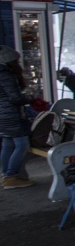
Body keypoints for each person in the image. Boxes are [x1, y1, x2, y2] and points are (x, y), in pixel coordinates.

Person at [0, 46, 34, 189]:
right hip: (11, 114)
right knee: (22, 145)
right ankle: (11, 176)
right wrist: (30, 98)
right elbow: (15, 98)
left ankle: (5, 174)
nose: (18, 63)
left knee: (7, 144)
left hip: (2, 115)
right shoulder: (5, 74)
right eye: (16, 61)